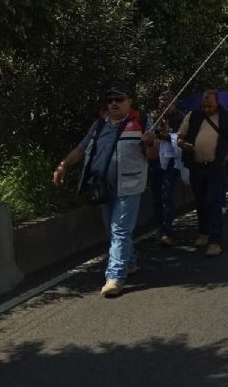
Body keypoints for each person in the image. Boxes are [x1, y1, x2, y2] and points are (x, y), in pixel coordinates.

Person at [53, 84, 156, 297]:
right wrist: (64, 164)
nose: (114, 104)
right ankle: (129, 262)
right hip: (102, 187)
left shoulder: (142, 123)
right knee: (112, 230)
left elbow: (153, 155)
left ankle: (115, 277)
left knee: (119, 230)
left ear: (129, 102)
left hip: (129, 187)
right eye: (110, 100)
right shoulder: (99, 124)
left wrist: (149, 142)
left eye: (119, 99)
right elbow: (81, 149)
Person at [178, 89, 228, 257]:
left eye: (210, 106)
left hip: (217, 166)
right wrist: (183, 145)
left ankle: (215, 240)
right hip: (196, 165)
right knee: (199, 200)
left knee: (214, 201)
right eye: (204, 106)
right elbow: (180, 137)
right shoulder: (192, 116)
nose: (207, 109)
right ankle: (203, 233)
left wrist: (227, 156)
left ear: (217, 102)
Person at [148, 90, 183, 246]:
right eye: (161, 103)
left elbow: (183, 137)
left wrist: (169, 136)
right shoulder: (154, 117)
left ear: (173, 103)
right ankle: (160, 228)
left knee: (166, 196)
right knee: (156, 197)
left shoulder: (180, 117)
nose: (163, 106)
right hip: (155, 159)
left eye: (166, 103)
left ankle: (167, 231)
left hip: (170, 160)